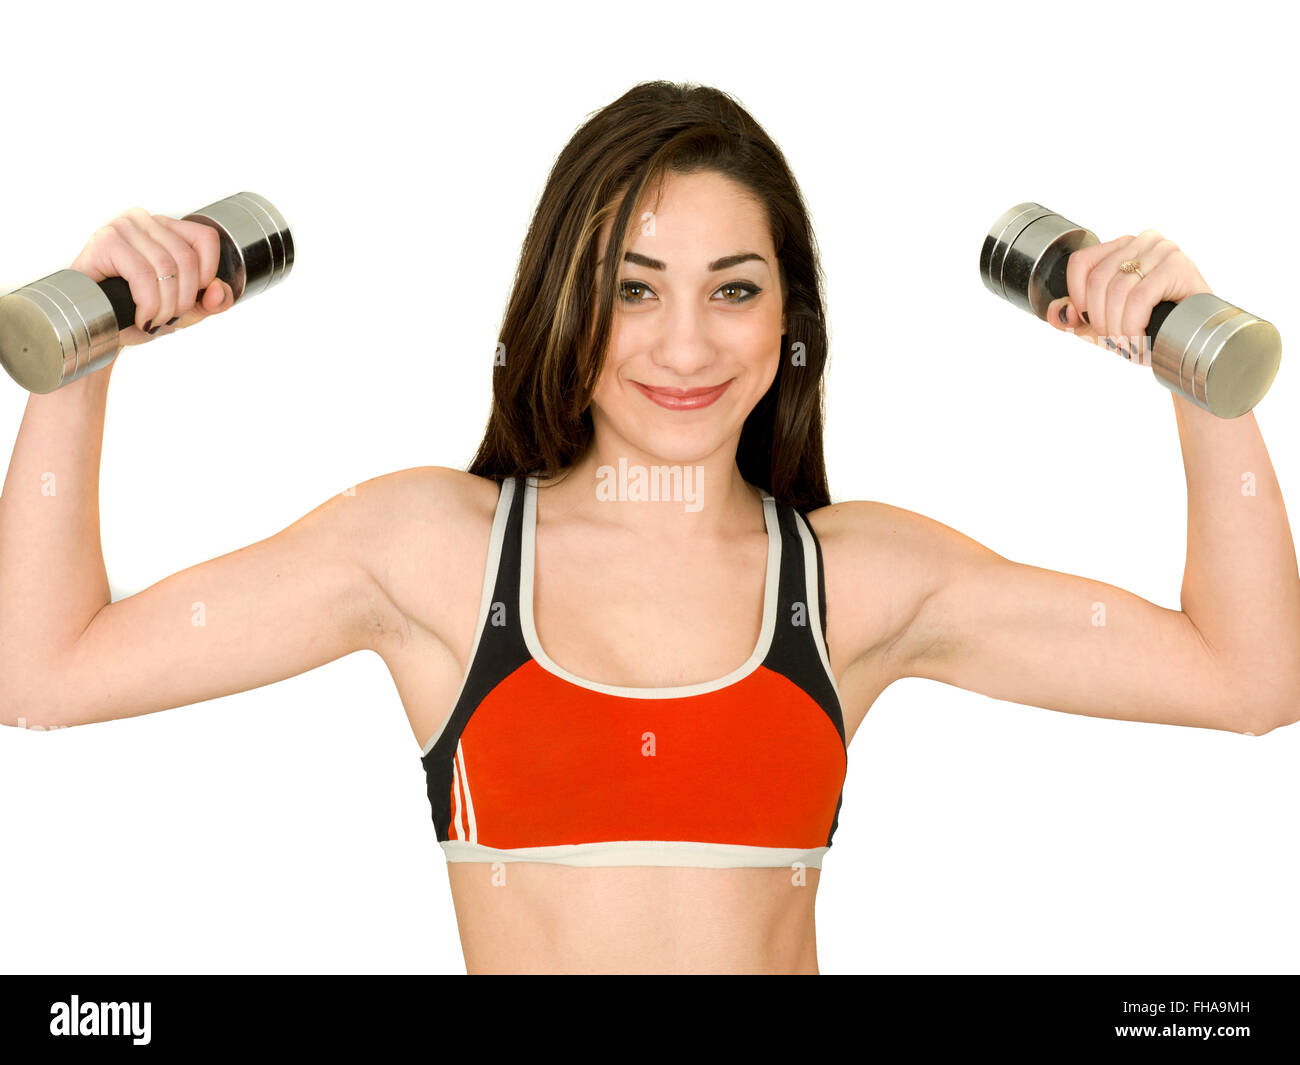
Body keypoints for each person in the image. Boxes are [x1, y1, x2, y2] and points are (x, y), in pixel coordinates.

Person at [2, 81, 1297, 975]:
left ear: (789, 315)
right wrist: (84, 367)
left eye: (734, 289)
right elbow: (41, 672)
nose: (686, 343)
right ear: (566, 301)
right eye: (633, 289)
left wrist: (1198, 380)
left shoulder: (856, 579)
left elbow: (1249, 679)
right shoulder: (431, 553)